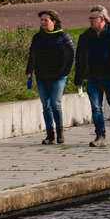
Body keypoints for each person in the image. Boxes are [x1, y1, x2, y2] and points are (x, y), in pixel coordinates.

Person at [73, 5, 110, 147]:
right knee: (96, 107)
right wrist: (78, 78)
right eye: (90, 18)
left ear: (102, 19)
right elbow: (80, 58)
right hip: (94, 77)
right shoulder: (86, 36)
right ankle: (100, 136)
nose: (90, 21)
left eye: (93, 18)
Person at [25, 9, 74, 145]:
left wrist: (64, 72)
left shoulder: (63, 36)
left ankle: (60, 132)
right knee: (45, 106)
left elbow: (70, 55)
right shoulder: (37, 37)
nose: (42, 22)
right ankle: (50, 134)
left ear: (54, 21)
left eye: (45, 20)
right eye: (41, 20)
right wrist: (29, 71)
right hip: (41, 75)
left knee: (55, 103)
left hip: (58, 76)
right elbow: (32, 55)